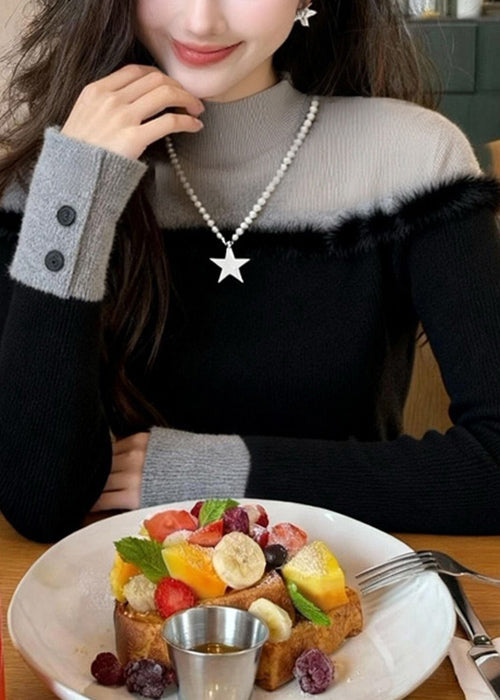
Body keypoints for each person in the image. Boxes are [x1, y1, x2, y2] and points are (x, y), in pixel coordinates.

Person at [0, 0, 499, 544]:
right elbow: (39, 501)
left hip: (346, 582)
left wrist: (210, 477)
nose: (201, 21)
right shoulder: (57, 173)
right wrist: (77, 183)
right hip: (106, 586)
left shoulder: (416, 157)